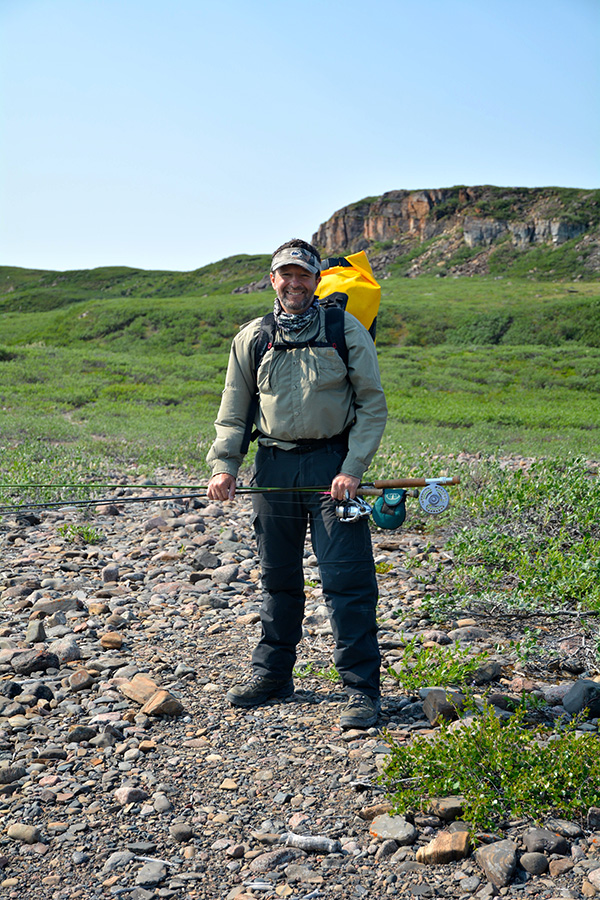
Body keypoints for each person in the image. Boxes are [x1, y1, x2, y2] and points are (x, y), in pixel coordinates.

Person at [206, 239, 387, 728]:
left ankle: (361, 691)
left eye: (303, 275)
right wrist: (225, 466)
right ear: (273, 279)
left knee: (347, 582)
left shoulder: (345, 330)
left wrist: (352, 468)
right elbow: (234, 407)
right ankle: (273, 675)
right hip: (273, 469)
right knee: (278, 578)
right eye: (285, 274)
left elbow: (372, 405)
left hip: (334, 469)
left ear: (316, 279)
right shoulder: (252, 338)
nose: (294, 283)